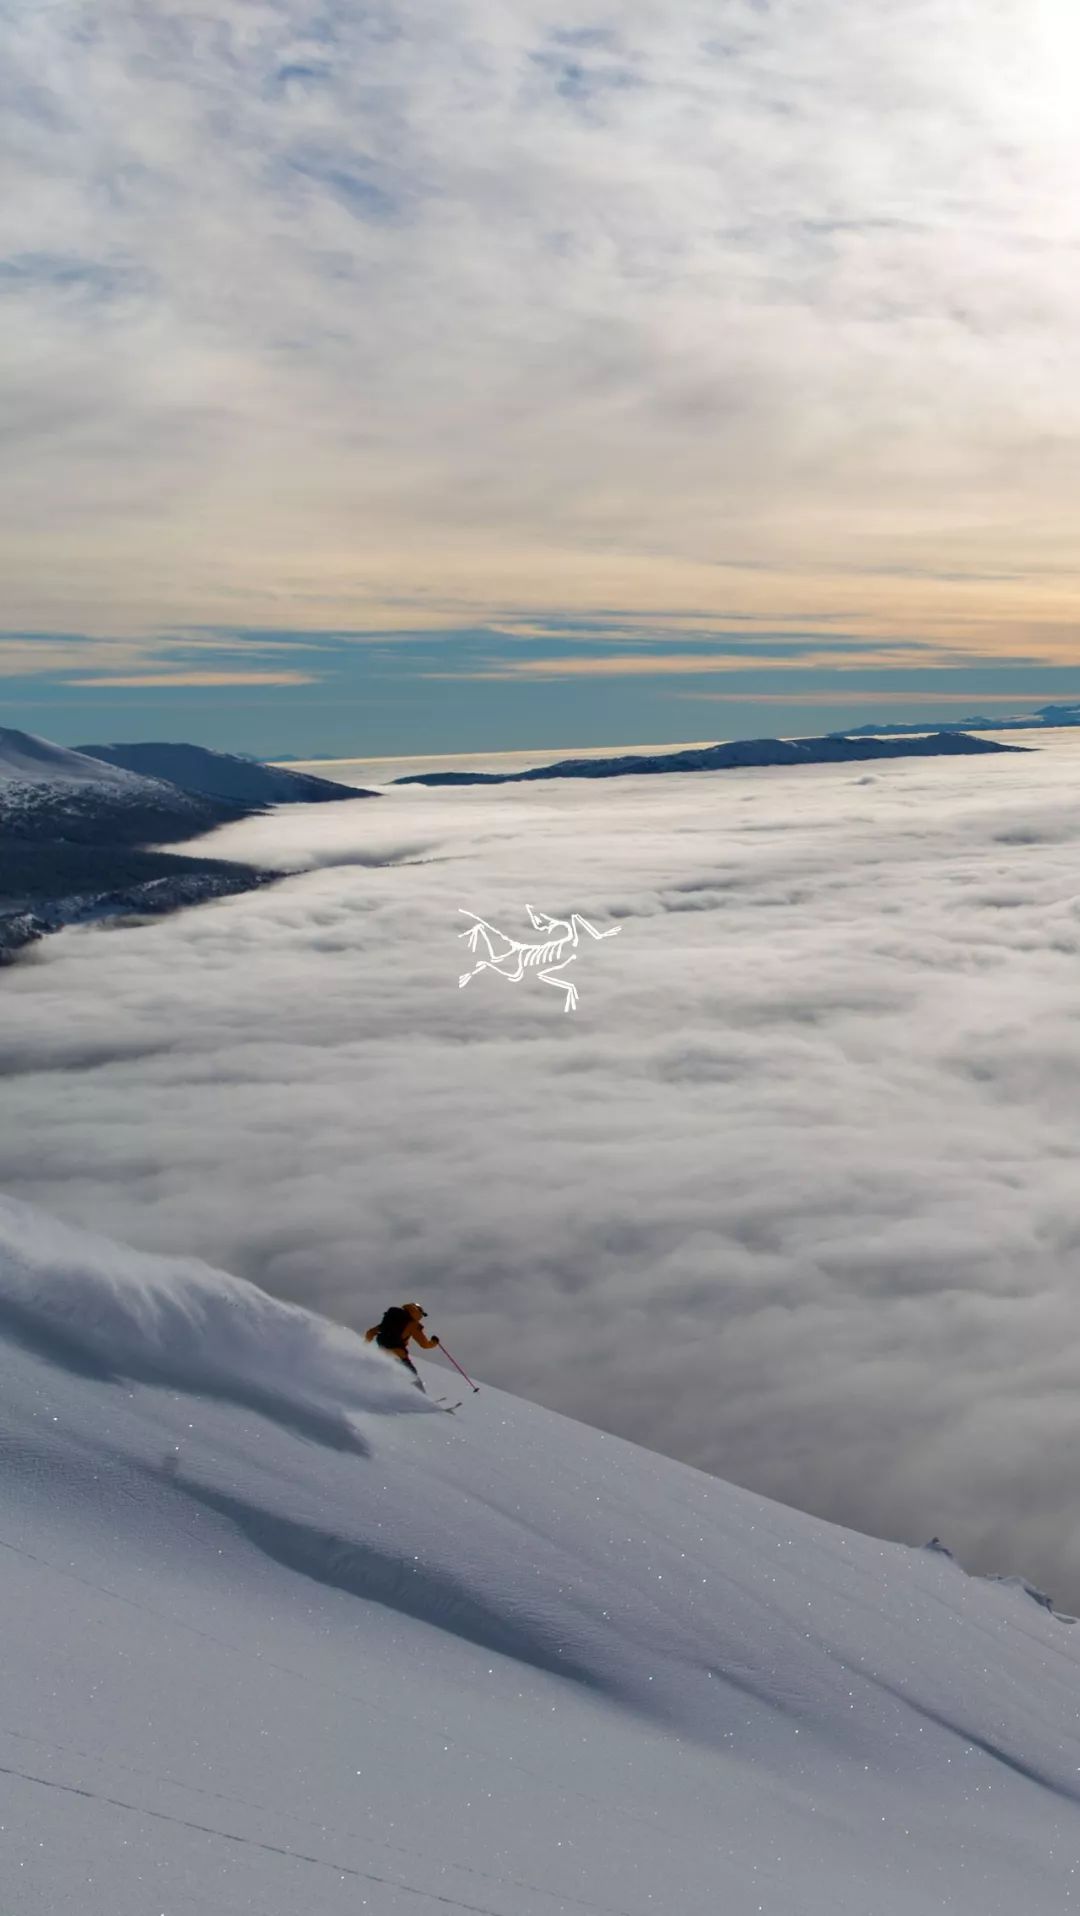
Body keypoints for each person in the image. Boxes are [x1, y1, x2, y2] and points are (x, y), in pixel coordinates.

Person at [365, 1301, 440, 1389]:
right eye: (422, 1315)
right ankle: (416, 1397)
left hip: (382, 1351)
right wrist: (434, 1342)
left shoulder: (391, 1319)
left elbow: (370, 1333)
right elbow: (424, 1344)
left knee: (388, 1373)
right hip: (398, 1354)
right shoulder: (413, 1324)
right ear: (418, 1313)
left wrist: (365, 1346)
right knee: (412, 1375)